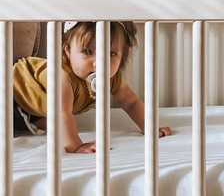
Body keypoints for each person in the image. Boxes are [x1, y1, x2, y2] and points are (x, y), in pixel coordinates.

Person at [12, 21, 171, 153]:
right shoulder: (61, 76)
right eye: (88, 52)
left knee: (46, 121)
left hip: (28, 109)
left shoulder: (112, 78)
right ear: (68, 50)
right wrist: (77, 147)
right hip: (11, 89)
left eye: (111, 54)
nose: (99, 62)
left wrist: (149, 127)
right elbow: (62, 113)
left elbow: (130, 102)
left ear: (123, 55)